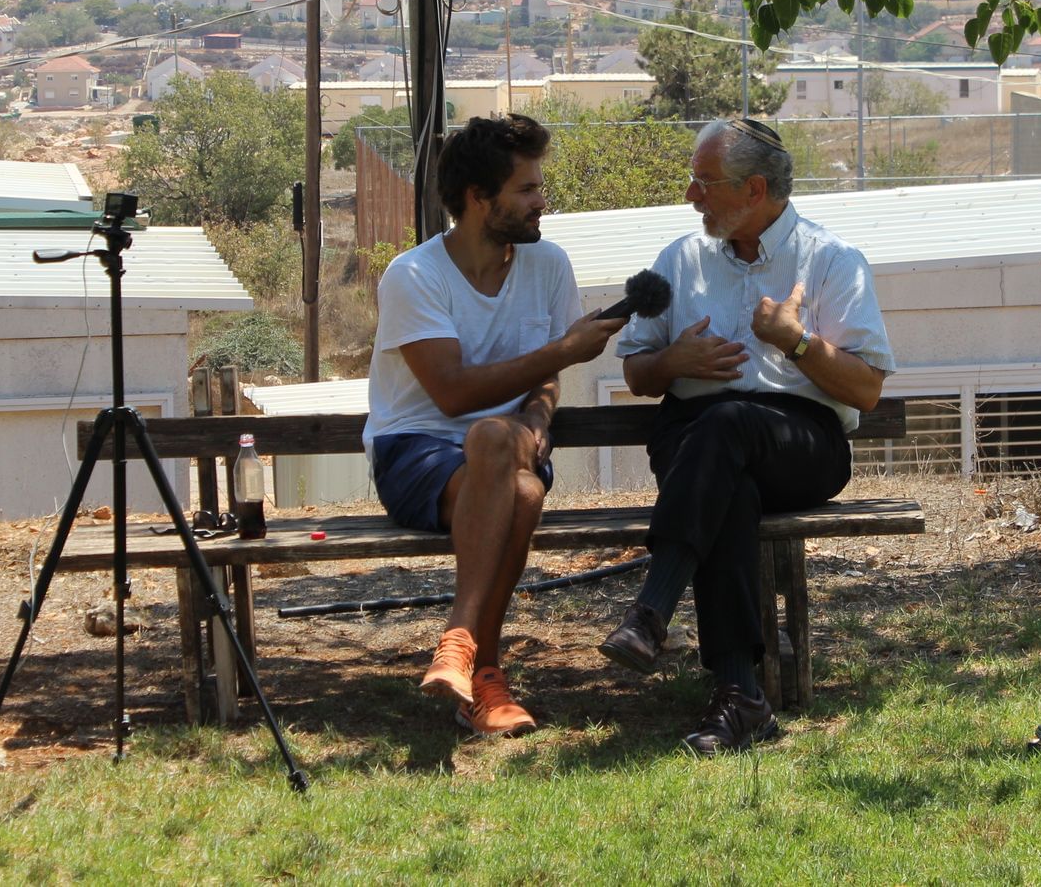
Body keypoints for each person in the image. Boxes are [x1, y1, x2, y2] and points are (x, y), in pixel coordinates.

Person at [601, 117, 894, 755]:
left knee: (728, 427)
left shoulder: (830, 260)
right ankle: (742, 699)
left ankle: (652, 609)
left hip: (800, 441)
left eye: (705, 183)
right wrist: (671, 364)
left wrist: (797, 341)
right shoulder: (679, 258)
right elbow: (637, 371)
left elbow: (866, 389)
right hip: (695, 443)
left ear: (754, 189)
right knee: (725, 481)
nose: (689, 195)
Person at [364, 113, 624, 738]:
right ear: (480, 199)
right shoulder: (414, 276)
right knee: (504, 460)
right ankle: (486, 668)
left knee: (505, 448)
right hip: (416, 449)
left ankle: (460, 651)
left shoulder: (548, 264)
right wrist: (564, 352)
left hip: (513, 445)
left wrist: (539, 416)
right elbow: (452, 395)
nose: (543, 201)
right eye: (527, 189)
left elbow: (543, 384)